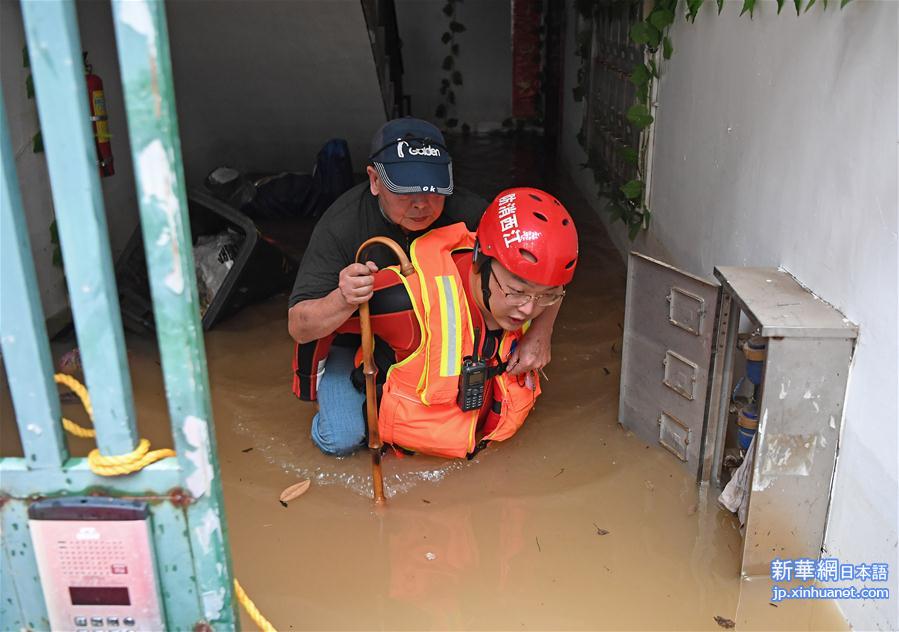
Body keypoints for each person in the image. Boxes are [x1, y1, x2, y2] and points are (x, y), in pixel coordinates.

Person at [288, 118, 565, 455]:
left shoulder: (475, 214)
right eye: (404, 190)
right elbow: (300, 326)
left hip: (438, 332)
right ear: (374, 180)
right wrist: (343, 298)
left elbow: (549, 267)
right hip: (356, 336)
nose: (421, 203)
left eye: (433, 189)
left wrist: (541, 333)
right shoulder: (342, 225)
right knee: (342, 440)